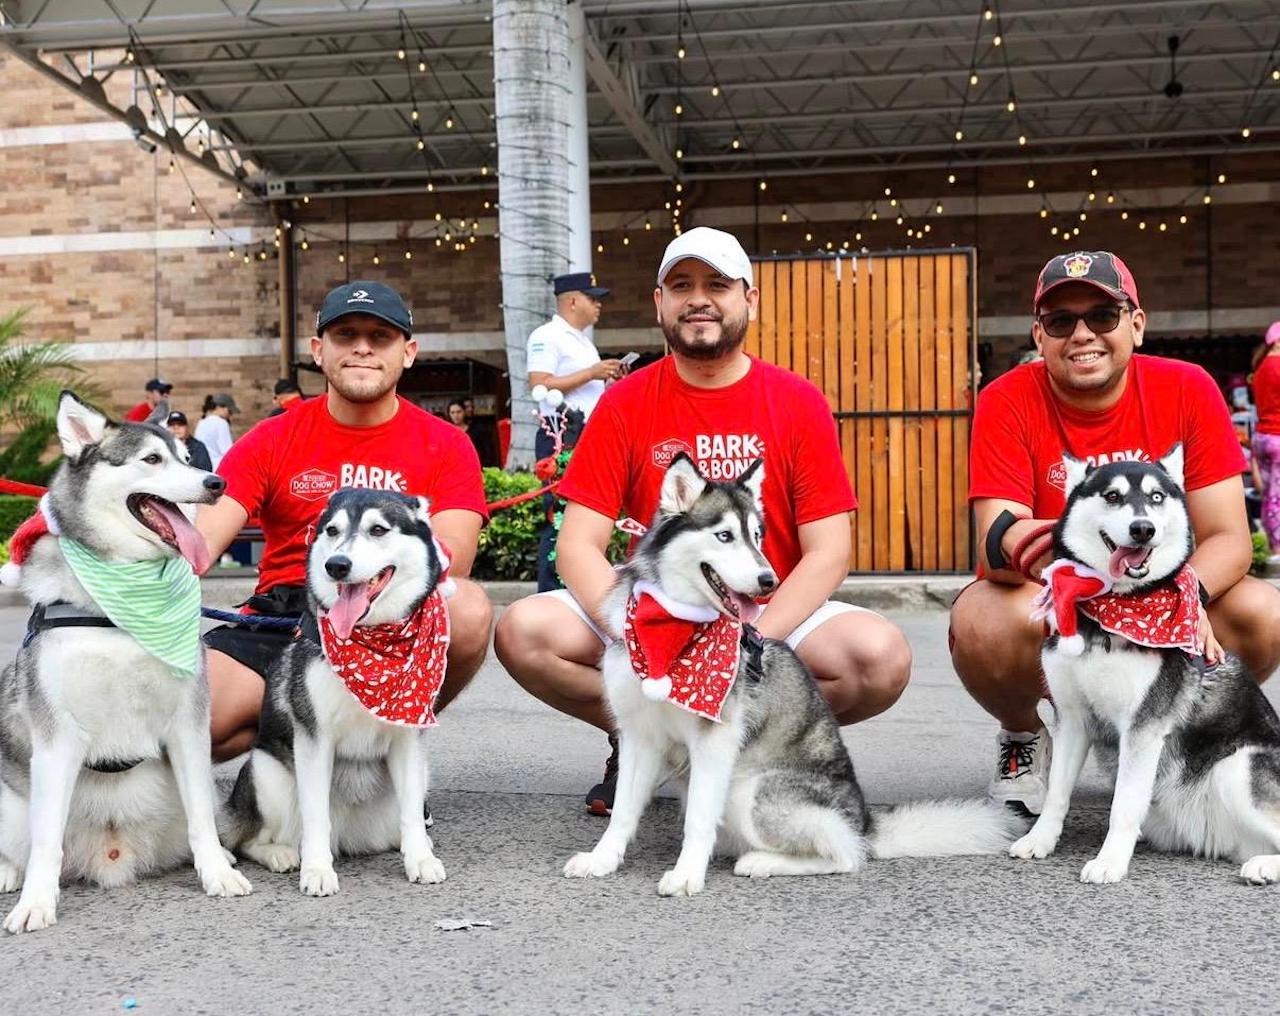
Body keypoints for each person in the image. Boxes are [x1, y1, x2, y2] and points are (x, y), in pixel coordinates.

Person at [495, 226, 912, 816]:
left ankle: (739, 745)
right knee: (524, 631)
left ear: (750, 299)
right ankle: (648, 738)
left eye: (718, 284)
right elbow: (578, 545)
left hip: (764, 608)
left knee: (879, 658)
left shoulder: (796, 401)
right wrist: (634, 633)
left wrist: (752, 641)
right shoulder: (625, 401)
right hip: (657, 606)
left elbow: (829, 552)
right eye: (682, 285)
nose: (700, 298)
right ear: (659, 303)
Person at [950, 251, 1280, 815]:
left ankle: (1174, 739)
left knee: (1262, 612)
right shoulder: (1005, 398)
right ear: (1039, 334)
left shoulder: (1188, 387)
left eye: (1103, 315)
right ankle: (1023, 737)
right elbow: (998, 536)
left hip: (1166, 588)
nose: (1082, 334)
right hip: (1068, 596)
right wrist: (1043, 549)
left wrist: (1180, 596)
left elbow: (1227, 534)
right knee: (984, 620)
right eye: (1060, 322)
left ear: (1136, 324)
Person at [195, 280, 493, 760]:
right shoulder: (271, 438)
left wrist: (369, 602)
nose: (361, 347)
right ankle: (304, 757)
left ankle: (388, 751)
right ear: (319, 350)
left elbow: (452, 557)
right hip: (287, 615)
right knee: (200, 721)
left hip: (388, 613)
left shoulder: (446, 443)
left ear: (408, 352)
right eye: (345, 334)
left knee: (470, 607)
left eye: (380, 337)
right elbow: (199, 542)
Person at [525, 271, 627, 592]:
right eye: (592, 298)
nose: (598, 305)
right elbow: (539, 384)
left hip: (586, 435)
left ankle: (576, 586)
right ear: (572, 300)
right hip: (561, 437)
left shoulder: (582, 341)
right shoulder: (547, 335)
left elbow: (585, 391)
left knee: (584, 517)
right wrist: (593, 372)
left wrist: (606, 379)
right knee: (558, 518)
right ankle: (550, 591)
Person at [1251, 322, 1280, 558]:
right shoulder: (1278, 365)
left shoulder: (1260, 369)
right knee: (1277, 495)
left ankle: (1272, 543)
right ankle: (1279, 546)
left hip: (1262, 436)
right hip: (1278, 437)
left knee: (1269, 494)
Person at [195, 393, 238, 469]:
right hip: (218, 468)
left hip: (202, 468)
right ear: (219, 407)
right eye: (229, 411)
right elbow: (228, 452)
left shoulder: (202, 422)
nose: (230, 415)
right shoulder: (221, 423)